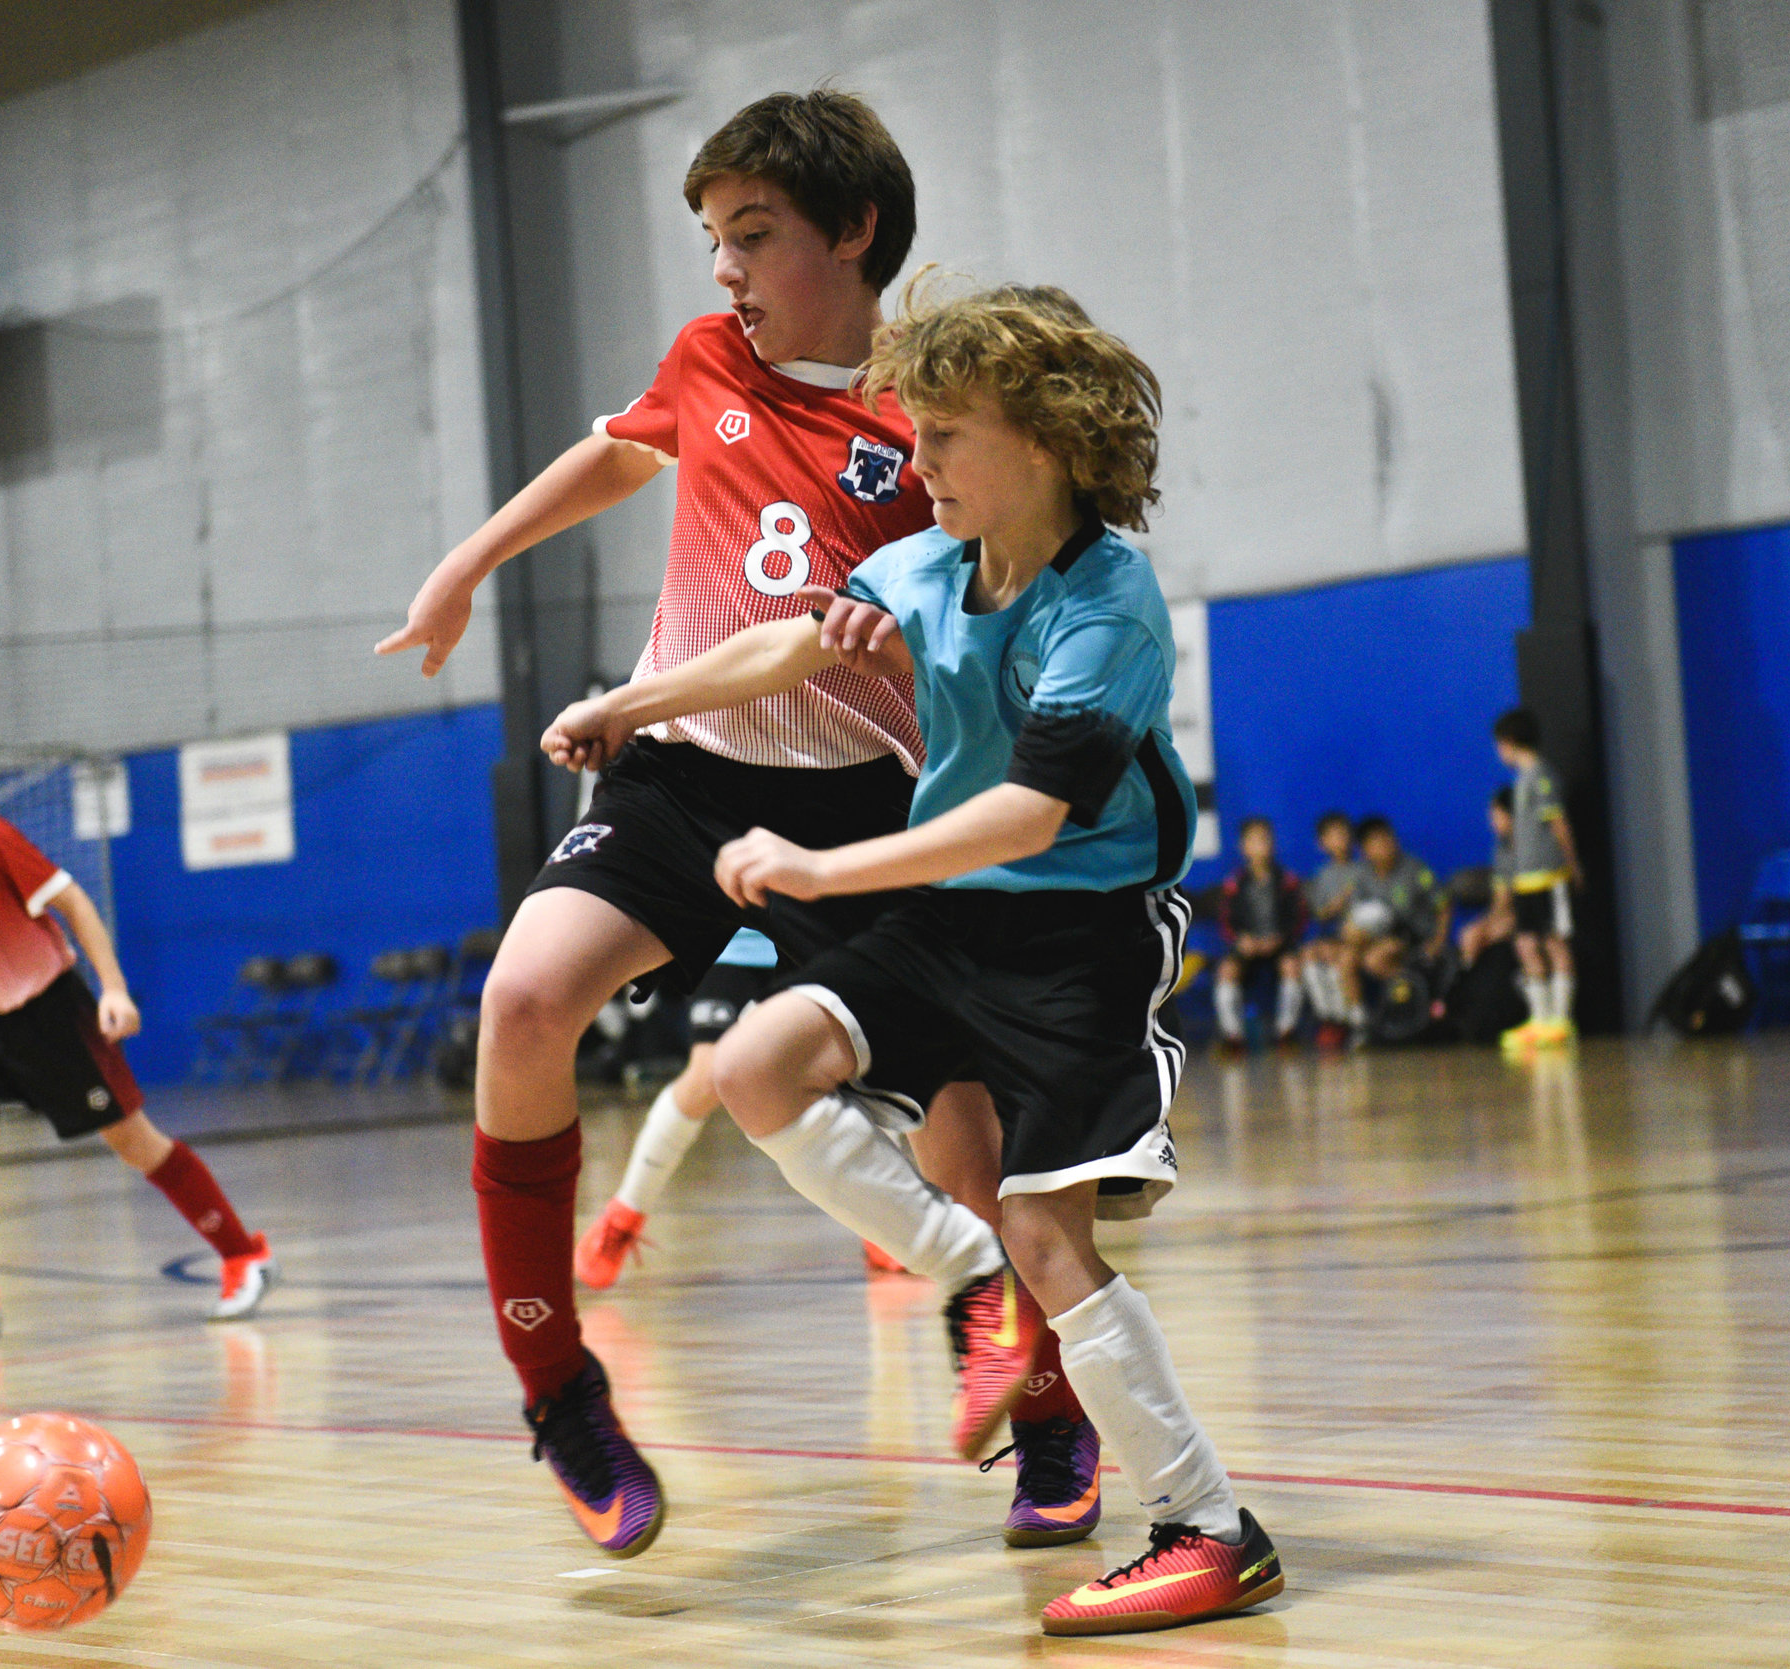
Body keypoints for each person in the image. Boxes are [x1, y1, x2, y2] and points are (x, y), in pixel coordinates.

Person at [373, 90, 1088, 1559]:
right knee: (523, 997)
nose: (725, 273)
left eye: (752, 236)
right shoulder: (707, 360)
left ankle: (1048, 1412)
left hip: (872, 799)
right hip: (686, 770)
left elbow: (975, 627)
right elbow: (624, 456)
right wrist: (468, 562)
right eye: (713, 238)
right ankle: (559, 1390)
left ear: (855, 231)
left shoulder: (938, 422)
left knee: (969, 1137)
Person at [545, 280, 1281, 1636]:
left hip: (1076, 937)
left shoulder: (1104, 601)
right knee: (759, 1067)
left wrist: (823, 870)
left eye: (945, 437)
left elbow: (1031, 815)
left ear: (1046, 445)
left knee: (1055, 1234)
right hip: (955, 918)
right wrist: (624, 703)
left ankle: (1209, 1527)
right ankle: (971, 1273)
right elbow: (786, 642)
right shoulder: (925, 567)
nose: (914, 460)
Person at [0, 714, 277, 1346]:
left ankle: (244, 1255)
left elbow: (73, 904)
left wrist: (115, 989)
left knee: (137, 1145)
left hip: (51, 1016)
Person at [574, 925, 907, 1286]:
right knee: (707, 1075)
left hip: (813, 934)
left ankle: (882, 1222)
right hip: (735, 946)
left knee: (864, 1063)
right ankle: (624, 1215)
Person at [1493, 709, 1581, 1051]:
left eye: (1499, 745)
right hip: (1526, 880)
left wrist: (1573, 865)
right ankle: (1540, 1019)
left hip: (1548, 876)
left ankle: (1561, 1019)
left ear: (1509, 742)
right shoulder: (1521, 780)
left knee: (1555, 942)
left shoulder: (1542, 776)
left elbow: (1558, 824)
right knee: (1526, 944)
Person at [1335, 815, 1448, 1032]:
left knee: (1374, 960)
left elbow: (1443, 904)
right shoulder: (1362, 876)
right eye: (1376, 842)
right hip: (1376, 938)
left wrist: (1439, 941)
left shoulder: (1414, 869)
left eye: (1387, 838)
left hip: (1413, 937)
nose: (1385, 845)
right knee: (1346, 958)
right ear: (1365, 850)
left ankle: (1418, 999)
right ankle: (1360, 1023)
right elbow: (1357, 916)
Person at [1212, 815, 1305, 1056]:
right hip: (1247, 947)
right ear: (1243, 846)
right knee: (1226, 971)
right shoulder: (1234, 883)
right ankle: (1233, 1037)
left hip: (1280, 945)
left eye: (1264, 839)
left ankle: (1286, 1033)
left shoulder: (1287, 881)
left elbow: (1298, 918)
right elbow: (1226, 921)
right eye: (1253, 840)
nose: (1260, 845)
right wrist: (1241, 940)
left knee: (1292, 966)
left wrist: (1280, 939)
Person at [1298, 810, 1367, 1048]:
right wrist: (1336, 904)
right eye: (1333, 835)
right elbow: (1319, 914)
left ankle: (1357, 1023)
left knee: (1343, 959)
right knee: (1309, 956)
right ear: (1322, 843)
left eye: (1344, 833)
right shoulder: (1321, 876)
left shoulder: (1364, 871)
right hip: (1331, 938)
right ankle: (1330, 1018)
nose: (1341, 839)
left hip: (1360, 939)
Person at [1457, 789, 1519, 964]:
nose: (1492, 823)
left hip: (1536, 913)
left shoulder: (1534, 846)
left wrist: (1503, 924)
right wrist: (1486, 923)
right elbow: (1502, 898)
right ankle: (1466, 981)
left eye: (1496, 816)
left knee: (1498, 934)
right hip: (1515, 914)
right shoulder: (1501, 849)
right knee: (1470, 935)